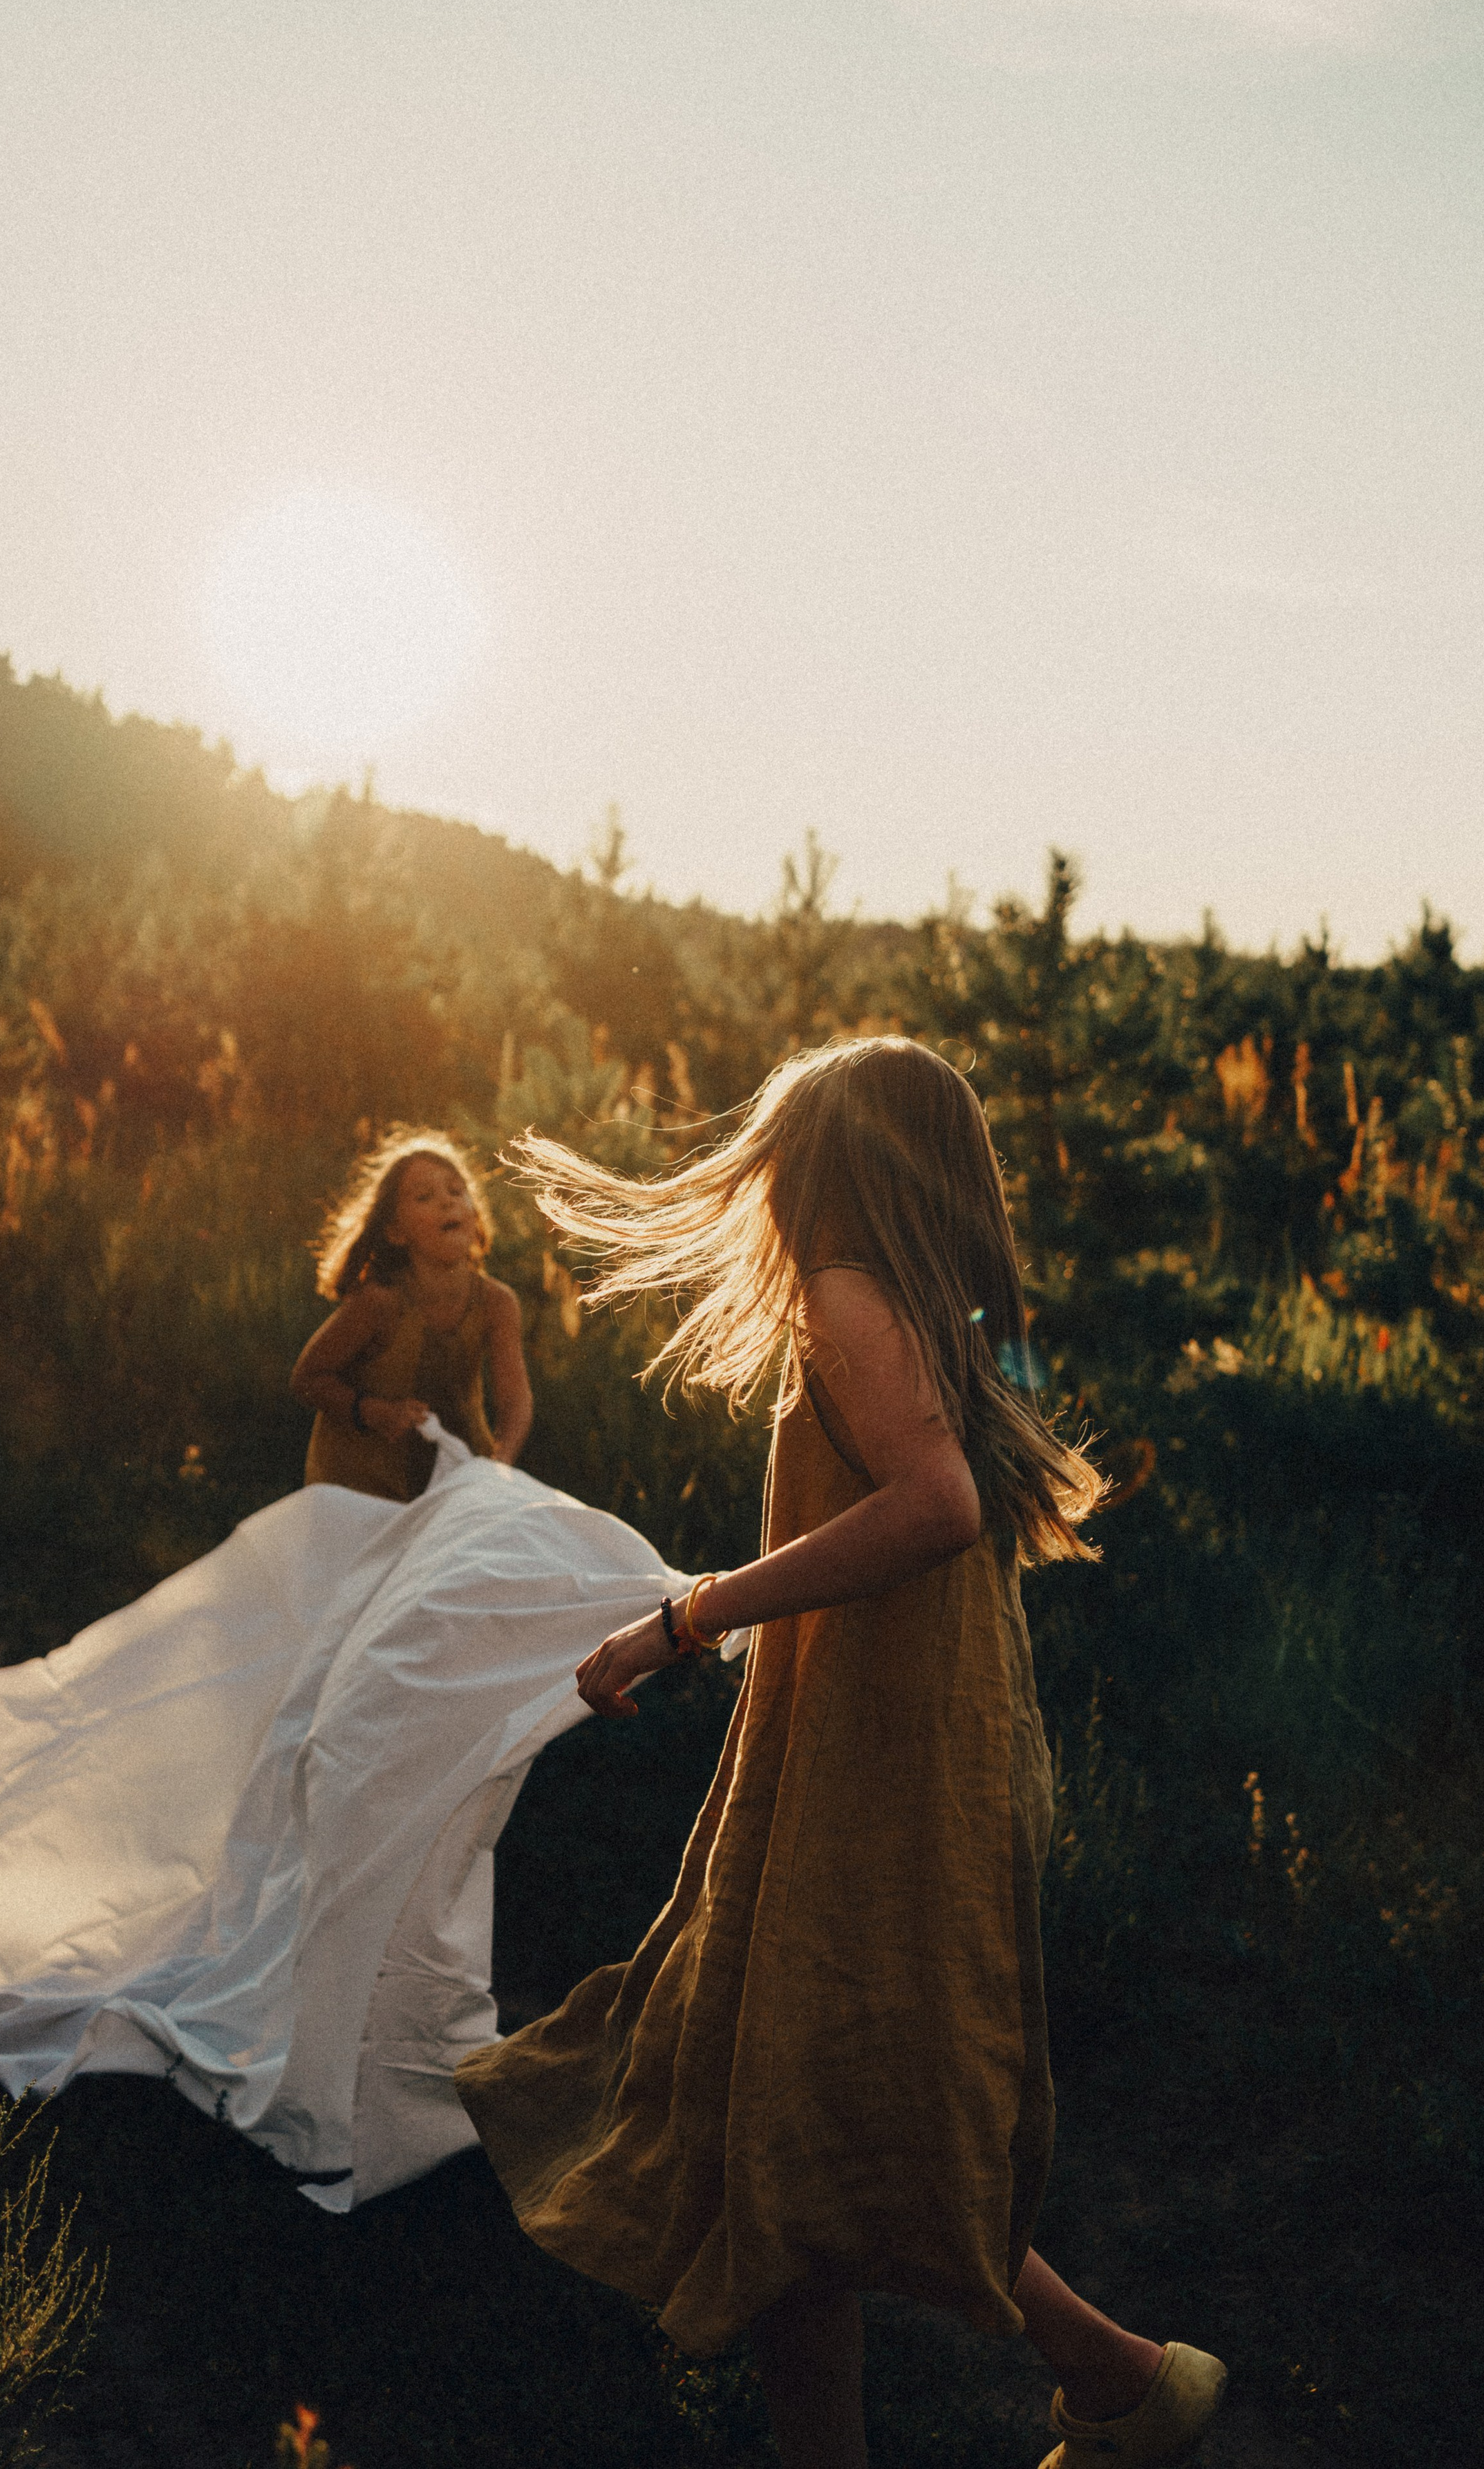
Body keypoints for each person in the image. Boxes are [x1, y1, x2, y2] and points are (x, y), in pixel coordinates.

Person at [454, 1038, 1225, 2469]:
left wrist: (681, 1620)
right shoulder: (939, 1312)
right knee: (804, 2113)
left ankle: (1113, 2375)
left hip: (878, 1775)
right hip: (903, 1751)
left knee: (795, 2127)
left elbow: (931, 1504)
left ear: (825, 1170)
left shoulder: (849, 1299)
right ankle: (1116, 2378)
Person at [292, 1128, 532, 1501]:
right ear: (395, 1232)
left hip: (460, 1479)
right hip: (364, 1490)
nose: (447, 1203)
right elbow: (307, 1378)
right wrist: (374, 1412)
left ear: (475, 1214)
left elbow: (515, 1402)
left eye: (457, 1191)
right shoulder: (380, 1303)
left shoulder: (497, 1303)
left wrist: (498, 1467)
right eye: (425, 1197)